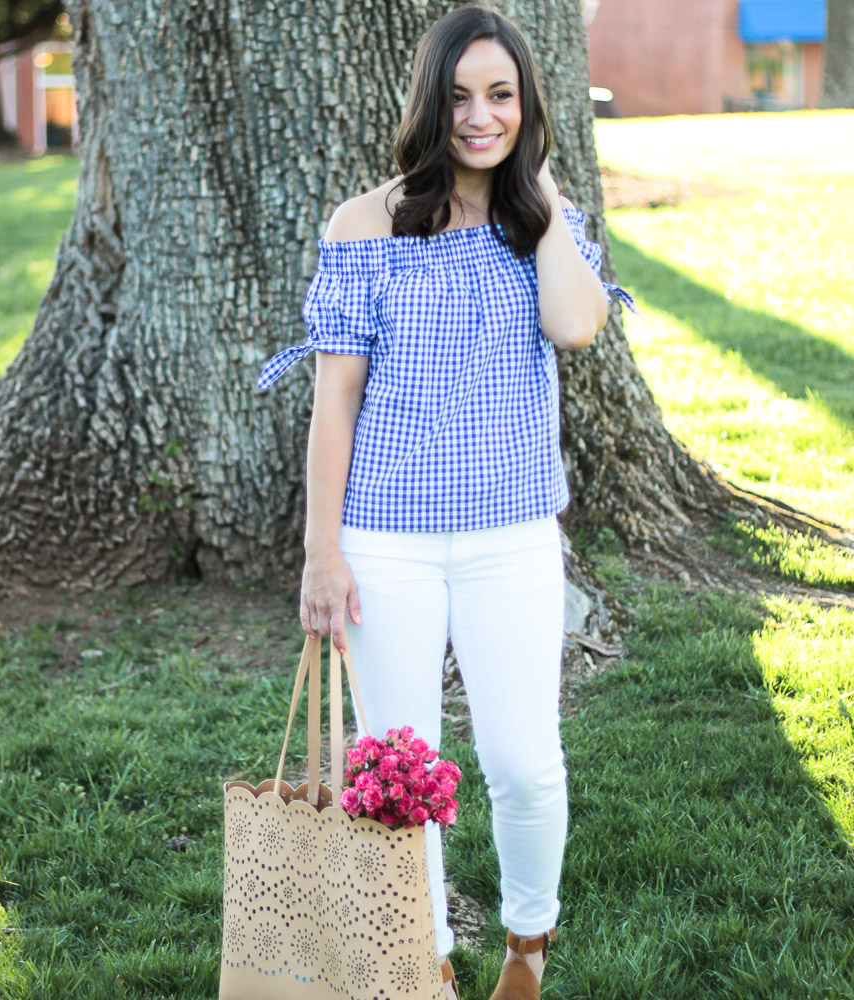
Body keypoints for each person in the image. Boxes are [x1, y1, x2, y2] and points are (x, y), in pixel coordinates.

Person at [256, 6, 633, 999]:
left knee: (524, 763)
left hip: (512, 537)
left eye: (500, 96)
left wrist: (542, 193)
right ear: (430, 103)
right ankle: (418, 958)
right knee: (399, 772)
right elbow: (334, 403)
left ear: (526, 106)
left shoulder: (539, 223)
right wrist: (320, 553)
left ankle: (524, 947)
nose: (479, 116)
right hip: (385, 543)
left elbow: (577, 324)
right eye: (460, 96)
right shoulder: (363, 224)